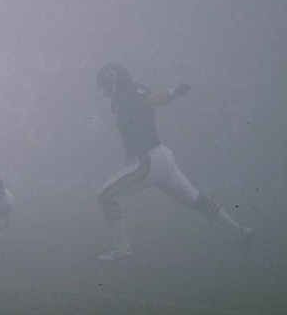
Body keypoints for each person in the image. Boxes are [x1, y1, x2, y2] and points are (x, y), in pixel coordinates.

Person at [94, 61, 254, 261]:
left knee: (106, 196)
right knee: (194, 199)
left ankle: (122, 248)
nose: (106, 92)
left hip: (148, 161)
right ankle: (240, 231)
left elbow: (153, 99)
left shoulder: (130, 91)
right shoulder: (121, 98)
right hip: (160, 157)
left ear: (114, 81)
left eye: (107, 87)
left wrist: (174, 92)